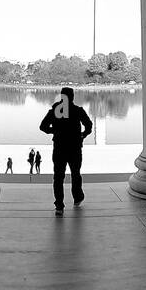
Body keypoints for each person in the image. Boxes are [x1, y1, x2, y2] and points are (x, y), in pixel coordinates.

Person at [39, 87, 92, 215]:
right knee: (75, 174)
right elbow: (89, 125)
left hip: (59, 148)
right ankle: (77, 197)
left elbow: (43, 127)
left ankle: (59, 206)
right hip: (74, 147)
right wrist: (83, 135)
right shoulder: (78, 111)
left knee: (58, 177)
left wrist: (55, 131)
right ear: (73, 97)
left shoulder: (55, 110)